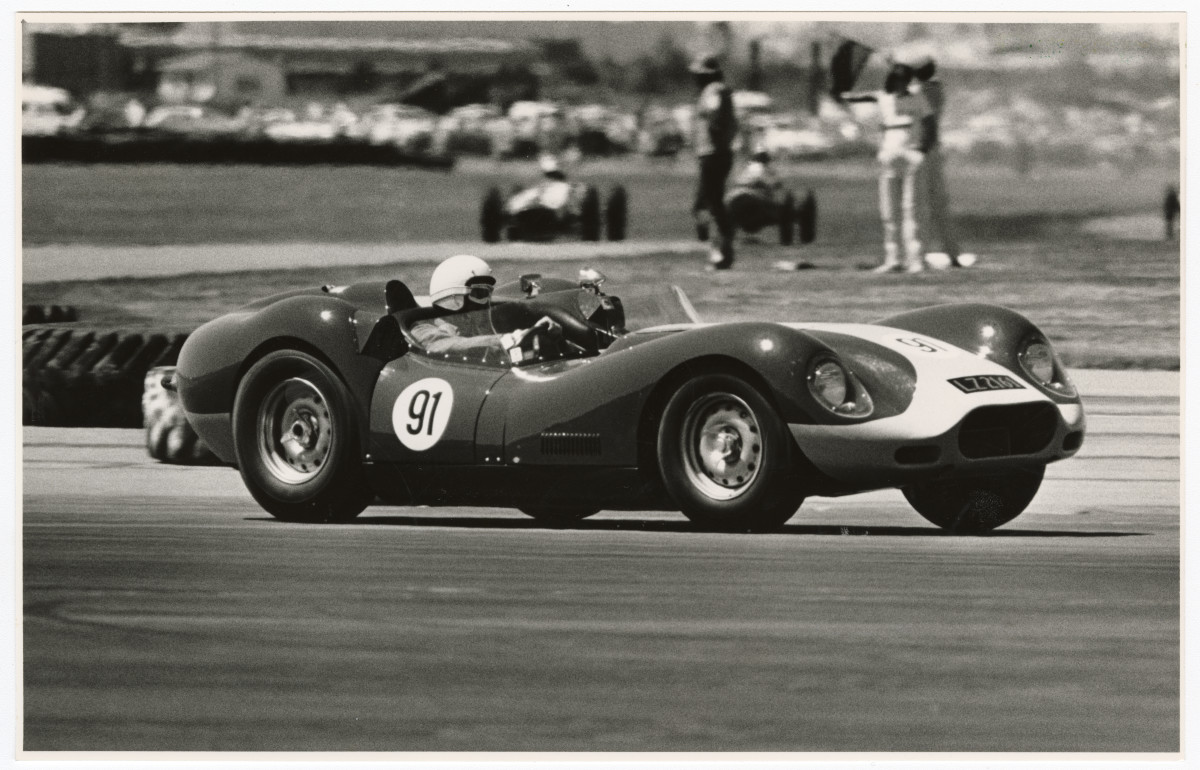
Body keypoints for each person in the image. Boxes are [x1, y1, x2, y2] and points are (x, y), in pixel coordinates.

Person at [843, 63, 934, 273]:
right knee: (889, 212)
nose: (900, 83)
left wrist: (922, 150)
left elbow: (929, 125)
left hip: (911, 157)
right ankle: (893, 259)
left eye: (903, 79)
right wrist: (846, 94)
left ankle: (915, 259)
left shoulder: (918, 97)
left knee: (911, 209)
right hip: (889, 158)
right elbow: (863, 97)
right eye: (897, 79)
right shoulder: (884, 97)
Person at [410, 255, 560, 361]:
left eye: (489, 293)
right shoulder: (424, 329)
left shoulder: (480, 327)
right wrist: (510, 339)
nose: (487, 301)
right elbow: (440, 345)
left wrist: (543, 334)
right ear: (455, 297)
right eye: (480, 293)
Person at [907, 54, 964, 267]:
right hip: (933, 151)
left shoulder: (923, 92)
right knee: (939, 204)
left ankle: (918, 255)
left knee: (918, 204)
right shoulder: (934, 90)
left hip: (923, 151)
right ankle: (952, 253)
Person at [689, 54, 739, 270]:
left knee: (712, 202)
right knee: (707, 202)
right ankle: (718, 247)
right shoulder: (721, 90)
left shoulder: (714, 90)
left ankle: (722, 249)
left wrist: (716, 132)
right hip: (716, 152)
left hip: (713, 153)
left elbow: (715, 113)